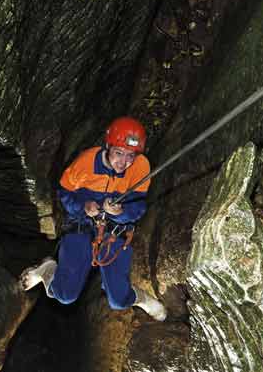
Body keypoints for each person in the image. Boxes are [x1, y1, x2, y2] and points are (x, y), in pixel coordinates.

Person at [20, 116, 166, 321]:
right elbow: (64, 194)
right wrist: (83, 207)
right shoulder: (85, 163)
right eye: (118, 153)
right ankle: (48, 271)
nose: (123, 163)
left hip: (114, 231)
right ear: (108, 146)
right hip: (81, 226)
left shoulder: (140, 168)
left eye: (130, 156)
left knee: (118, 300)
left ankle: (140, 299)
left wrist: (120, 212)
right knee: (65, 295)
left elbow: (139, 206)